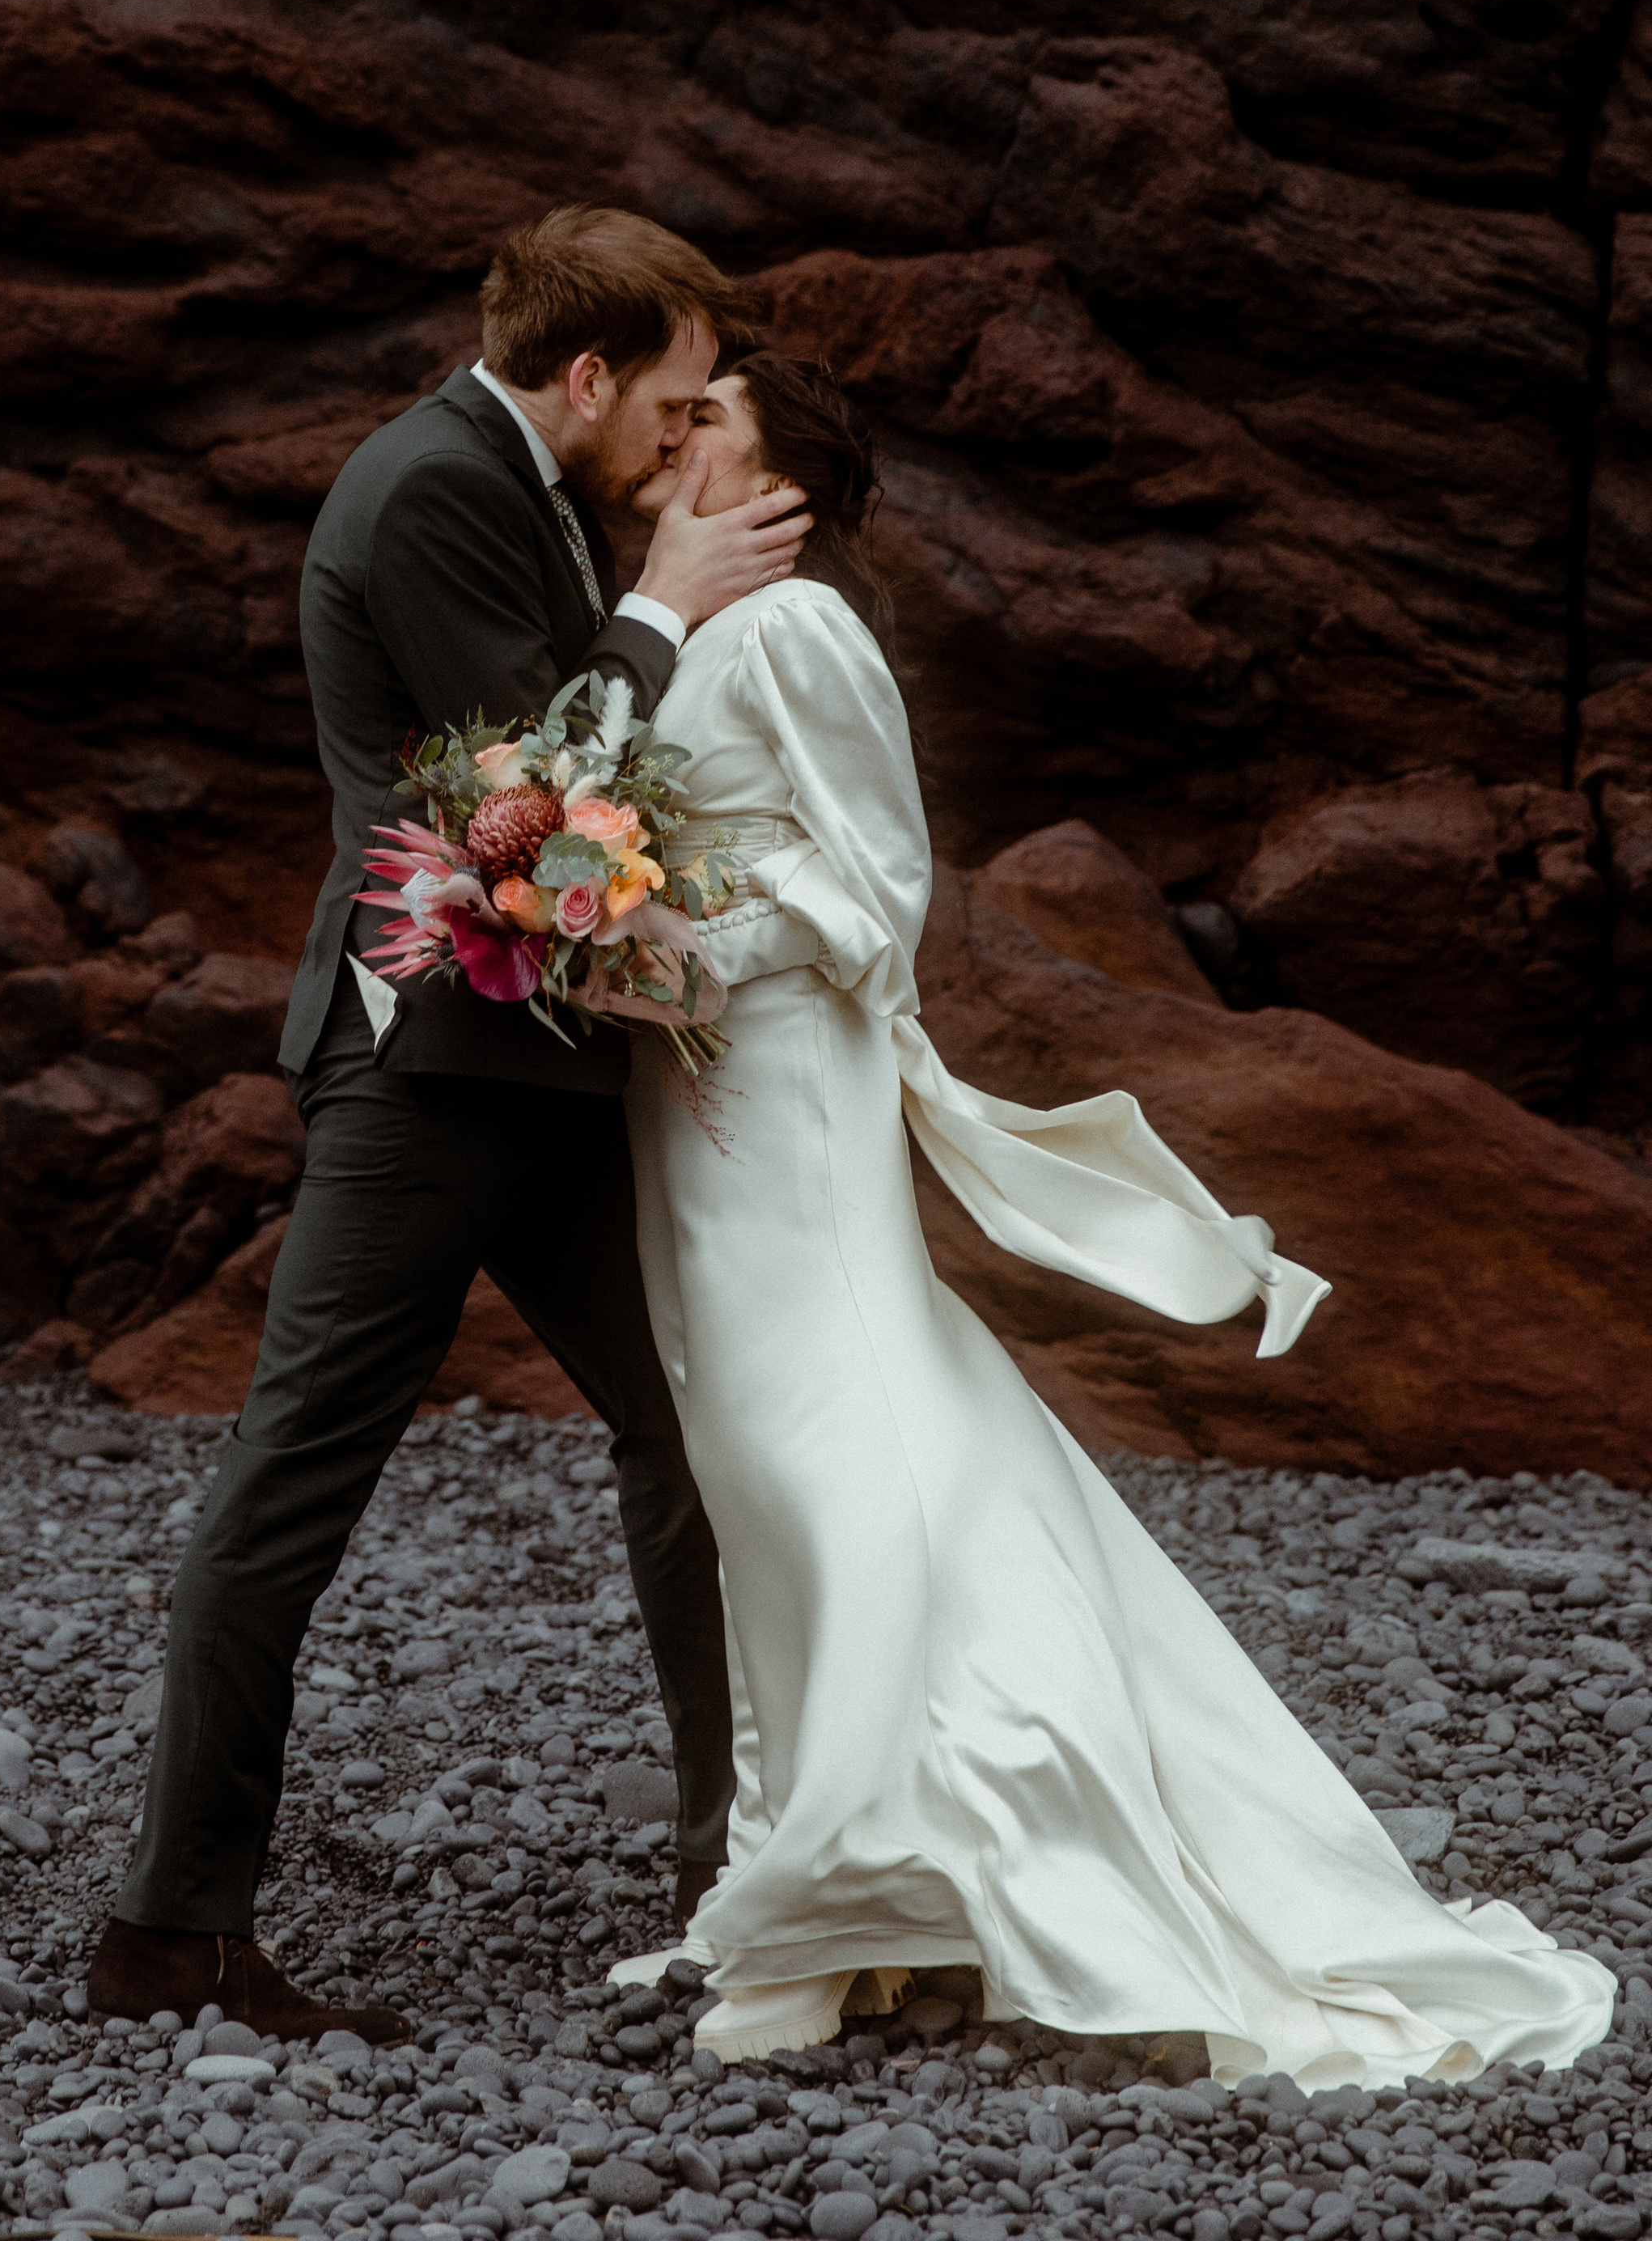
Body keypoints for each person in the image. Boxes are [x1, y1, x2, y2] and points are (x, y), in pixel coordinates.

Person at [614, 349, 1616, 2085]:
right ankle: (828, 1888)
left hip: (780, 1085)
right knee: (765, 1461)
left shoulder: (791, 630)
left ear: (779, 483)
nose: (674, 429)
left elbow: (874, 885)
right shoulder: (702, 629)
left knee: (826, 1440)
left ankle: (869, 1875)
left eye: (712, 419)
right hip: (696, 1091)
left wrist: (678, 938)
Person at [85, 206, 811, 2037]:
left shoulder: (531, 476)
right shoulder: (425, 487)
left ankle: (739, 1871)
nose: (677, 436)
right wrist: (665, 601)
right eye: (663, 398)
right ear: (583, 375)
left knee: (692, 1425)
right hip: (422, 1067)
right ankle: (174, 1935)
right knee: (293, 1479)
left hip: (544, 1057)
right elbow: (531, 795)